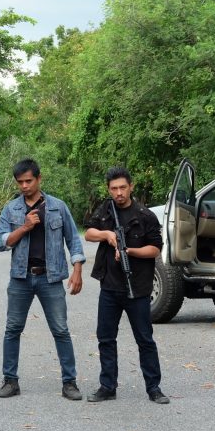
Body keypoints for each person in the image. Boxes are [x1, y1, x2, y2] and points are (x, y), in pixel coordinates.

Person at [0, 158, 85, 400]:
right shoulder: (11, 209)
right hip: (20, 278)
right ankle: (10, 381)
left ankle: (69, 383)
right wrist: (24, 227)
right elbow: (0, 242)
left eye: (29, 181)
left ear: (39, 178)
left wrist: (77, 269)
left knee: (61, 330)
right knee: (12, 329)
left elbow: (73, 240)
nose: (24, 186)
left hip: (50, 278)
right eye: (20, 182)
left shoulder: (57, 207)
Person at [83, 166, 170, 404]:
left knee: (145, 340)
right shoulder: (105, 210)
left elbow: (155, 249)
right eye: (114, 188)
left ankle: (154, 388)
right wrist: (107, 235)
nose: (119, 193)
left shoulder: (145, 215)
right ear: (109, 189)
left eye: (123, 187)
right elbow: (89, 233)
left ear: (131, 186)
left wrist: (129, 251)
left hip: (138, 287)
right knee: (106, 338)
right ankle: (107, 386)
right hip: (109, 287)